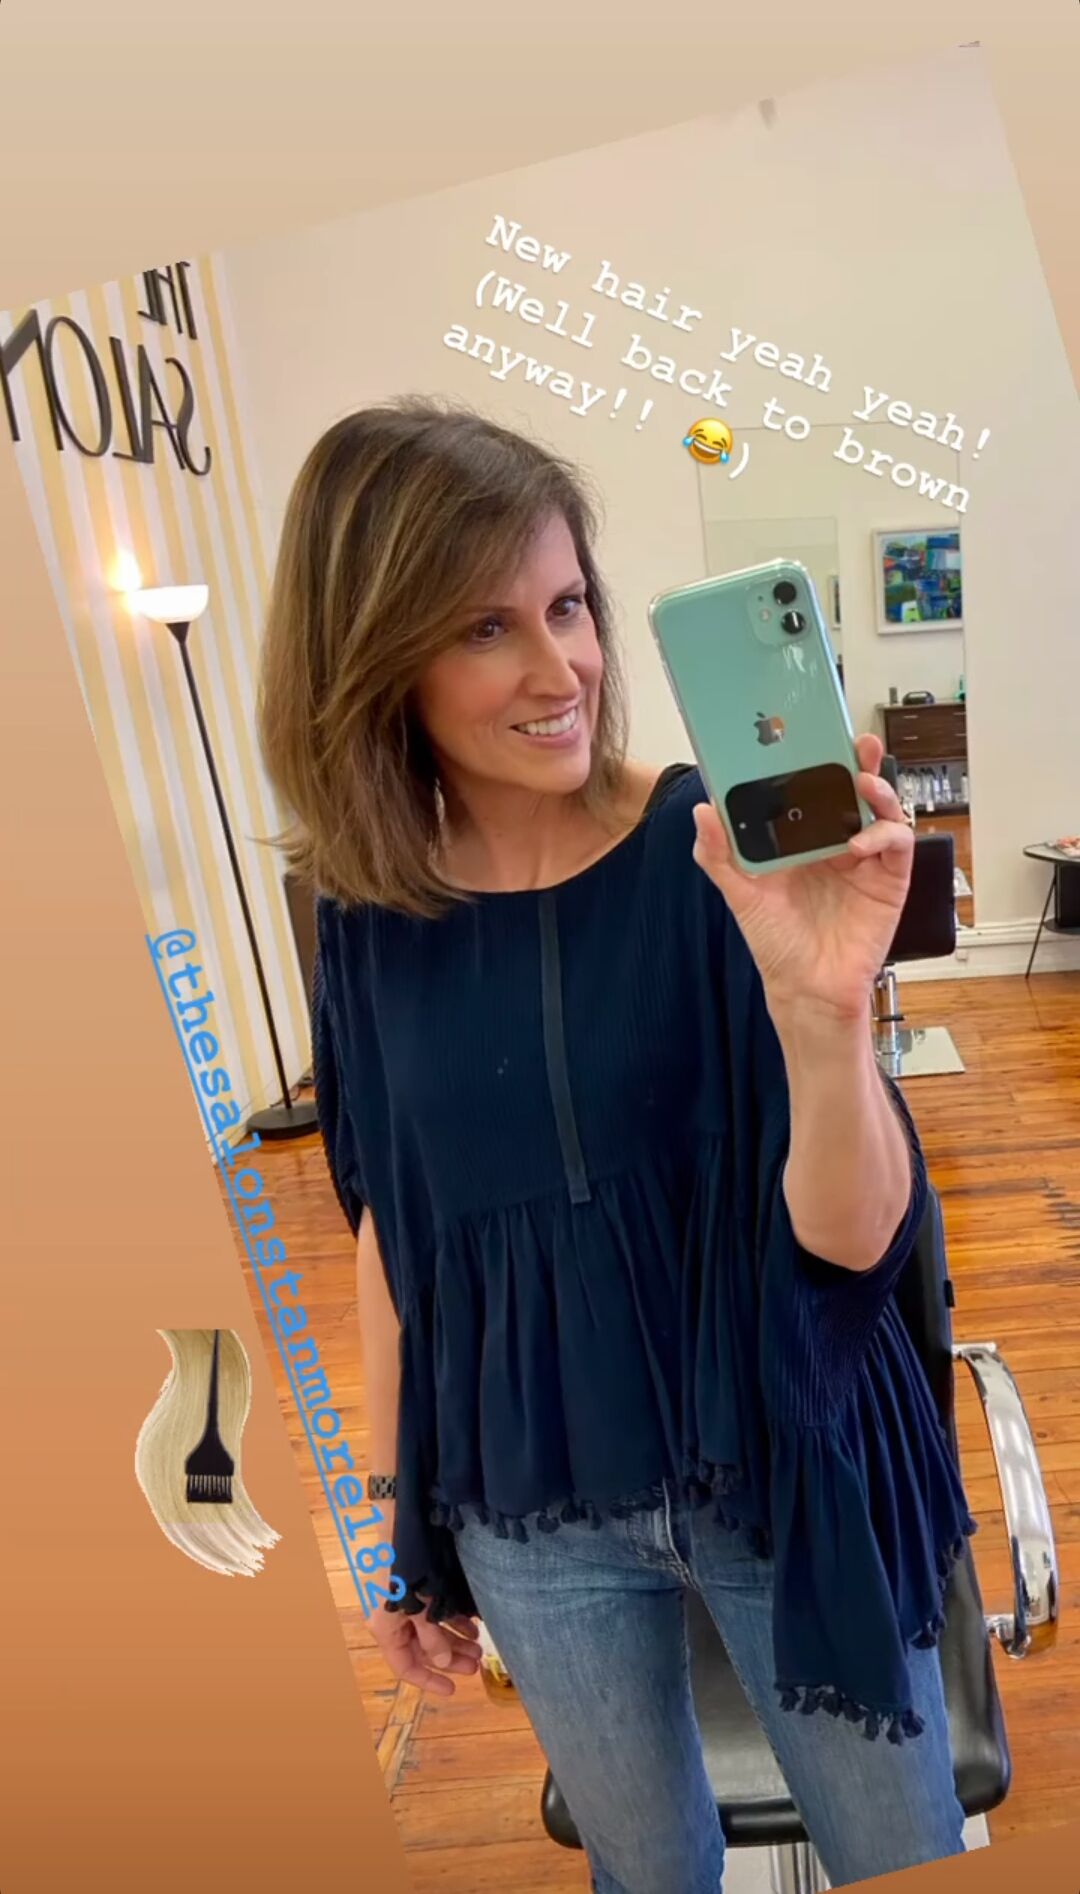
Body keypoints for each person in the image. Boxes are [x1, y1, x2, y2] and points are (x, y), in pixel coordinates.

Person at [257, 398, 973, 1893]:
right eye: (487, 628)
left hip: (783, 1467)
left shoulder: (715, 851)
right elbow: (398, 1240)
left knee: (899, 1850)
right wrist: (397, 1528)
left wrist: (826, 1016)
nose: (562, 667)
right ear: (373, 662)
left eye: (569, 604)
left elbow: (856, 1246)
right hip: (535, 1509)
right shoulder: (369, 924)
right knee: (644, 1871)